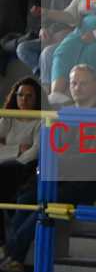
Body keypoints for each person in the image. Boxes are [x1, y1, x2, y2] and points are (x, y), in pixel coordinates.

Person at [0, 65, 96, 272]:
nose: (77, 87)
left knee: (45, 205)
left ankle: (12, 256)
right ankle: (13, 259)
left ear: (95, 86)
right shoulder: (62, 114)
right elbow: (53, 149)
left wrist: (57, 161)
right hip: (60, 177)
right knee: (24, 198)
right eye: (73, 83)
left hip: (89, 181)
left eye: (83, 83)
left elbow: (94, 160)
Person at [0, 78, 42, 251]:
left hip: (26, 168)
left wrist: (7, 152)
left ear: (36, 99)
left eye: (29, 96)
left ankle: (4, 245)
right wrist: (17, 149)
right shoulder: (8, 118)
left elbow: (35, 151)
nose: (24, 100)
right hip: (6, 167)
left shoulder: (41, 120)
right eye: (20, 95)